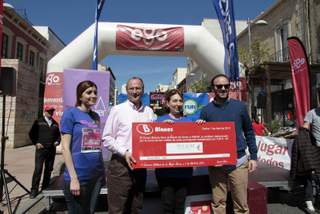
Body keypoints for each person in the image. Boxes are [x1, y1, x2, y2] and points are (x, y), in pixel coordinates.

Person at [198, 74, 257, 214]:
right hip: (216, 165)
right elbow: (202, 137)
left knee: (241, 205)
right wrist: (199, 127)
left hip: (239, 162)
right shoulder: (206, 111)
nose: (223, 88)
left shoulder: (240, 107)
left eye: (226, 85)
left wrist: (254, 156)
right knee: (218, 204)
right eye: (219, 86)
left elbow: (249, 131)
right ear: (213, 88)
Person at [102, 77, 156, 214]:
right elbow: (106, 138)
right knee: (117, 209)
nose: (135, 91)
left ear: (143, 90)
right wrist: (124, 152)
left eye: (138, 88)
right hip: (120, 166)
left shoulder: (149, 112)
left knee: (136, 207)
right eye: (131, 88)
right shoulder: (117, 110)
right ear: (126, 91)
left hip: (140, 167)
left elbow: (155, 137)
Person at [60, 80, 105, 214]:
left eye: (95, 92)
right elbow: (65, 148)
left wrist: (102, 172)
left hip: (96, 176)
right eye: (89, 92)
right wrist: (74, 178)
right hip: (79, 176)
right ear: (80, 96)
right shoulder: (70, 114)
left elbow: (97, 146)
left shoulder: (95, 116)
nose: (93, 95)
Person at [155, 89, 193, 214]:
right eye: (174, 101)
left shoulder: (189, 121)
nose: (178, 103)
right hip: (165, 173)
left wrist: (200, 125)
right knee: (167, 207)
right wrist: (160, 128)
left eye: (180, 101)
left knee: (180, 207)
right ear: (167, 103)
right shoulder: (159, 121)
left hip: (184, 172)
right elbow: (152, 146)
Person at [29, 105, 61, 199]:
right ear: (45, 111)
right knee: (38, 170)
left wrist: (57, 141)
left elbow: (58, 136)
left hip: (51, 150)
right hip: (41, 150)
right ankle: (34, 190)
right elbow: (31, 134)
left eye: (52, 111)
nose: (51, 112)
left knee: (48, 169)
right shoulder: (38, 122)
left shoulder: (55, 123)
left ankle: (45, 188)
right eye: (49, 111)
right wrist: (36, 143)